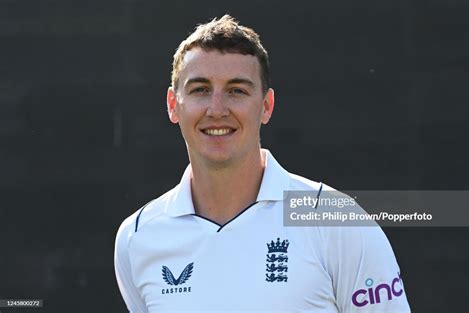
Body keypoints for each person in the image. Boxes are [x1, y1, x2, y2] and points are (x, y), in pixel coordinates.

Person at [114, 15, 411, 312]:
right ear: (172, 105)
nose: (217, 110)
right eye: (200, 90)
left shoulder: (336, 222)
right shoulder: (137, 238)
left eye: (237, 91)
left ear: (266, 106)